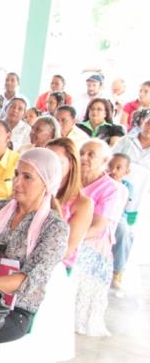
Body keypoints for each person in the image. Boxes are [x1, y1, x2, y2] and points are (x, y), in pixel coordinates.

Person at [0, 148, 69, 348]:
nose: (17, 182)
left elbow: (28, 280)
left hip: (10, 310)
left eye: (27, 177)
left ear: (47, 183)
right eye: (16, 174)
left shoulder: (55, 228)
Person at [72, 140, 127, 336]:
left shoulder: (112, 189)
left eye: (91, 155)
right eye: (82, 152)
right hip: (69, 233)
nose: (84, 157)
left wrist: (70, 240)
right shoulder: (72, 178)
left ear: (104, 160)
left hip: (92, 242)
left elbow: (98, 227)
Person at [45, 138, 93, 269]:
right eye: (46, 160)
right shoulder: (32, 189)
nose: (50, 167)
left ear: (71, 164)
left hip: (54, 267)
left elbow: (66, 250)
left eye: (57, 162)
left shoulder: (83, 204)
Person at [108, 153, 134, 289]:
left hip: (118, 215)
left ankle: (118, 270)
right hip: (101, 212)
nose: (113, 171)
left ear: (126, 171)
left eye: (118, 168)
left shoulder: (127, 187)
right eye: (110, 166)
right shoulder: (101, 180)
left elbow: (121, 207)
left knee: (124, 231)